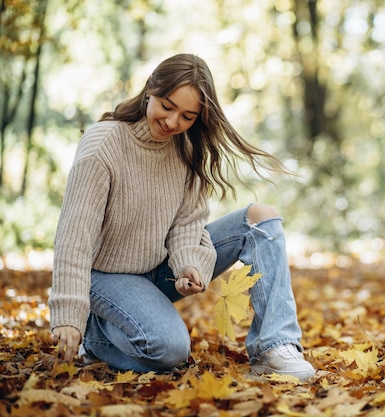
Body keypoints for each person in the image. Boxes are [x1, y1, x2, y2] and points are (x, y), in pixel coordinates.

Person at [48, 53, 315, 379]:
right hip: (103, 276)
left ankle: (275, 348)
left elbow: (188, 222)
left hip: (156, 270)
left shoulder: (185, 149)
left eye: (187, 116)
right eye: (167, 106)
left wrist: (189, 263)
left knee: (261, 218)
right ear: (150, 90)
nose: (173, 122)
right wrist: (68, 314)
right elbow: (74, 237)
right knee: (170, 350)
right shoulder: (104, 143)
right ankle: (97, 337)